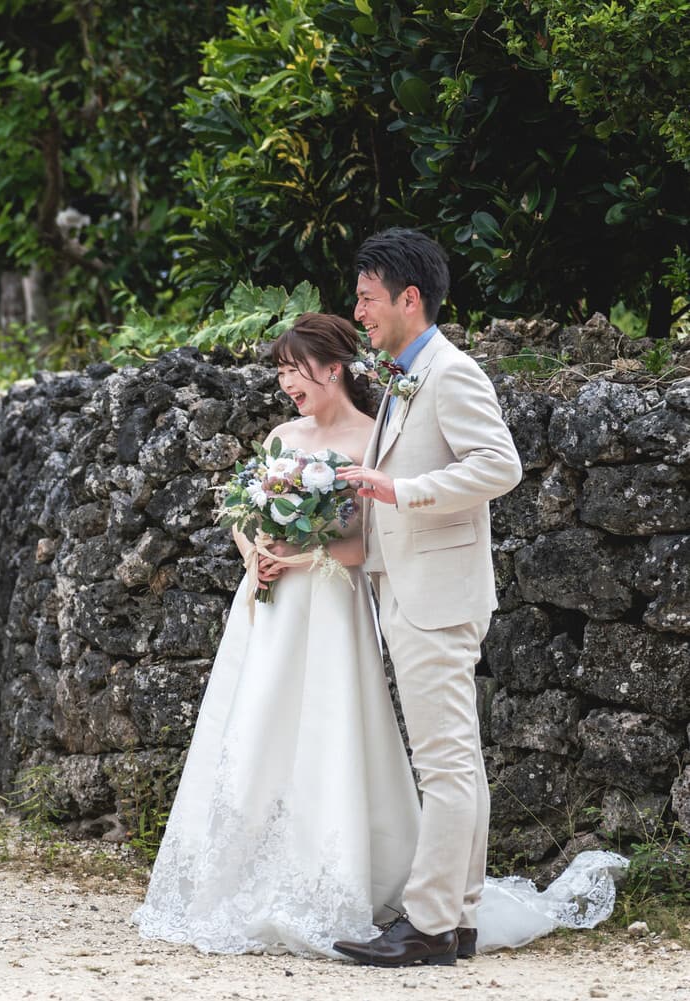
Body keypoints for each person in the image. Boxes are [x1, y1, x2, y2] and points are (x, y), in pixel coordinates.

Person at [132, 313, 421, 957]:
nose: (286, 381)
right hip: (267, 602)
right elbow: (243, 510)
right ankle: (239, 874)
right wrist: (251, 554)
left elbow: (367, 544)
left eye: (296, 368)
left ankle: (340, 874)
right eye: (282, 369)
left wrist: (300, 556)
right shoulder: (282, 436)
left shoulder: (372, 441)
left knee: (330, 722)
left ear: (334, 367)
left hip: (329, 603)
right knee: (257, 720)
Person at [330, 228, 524, 966]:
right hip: (412, 590)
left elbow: (498, 465)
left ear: (410, 299)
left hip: (436, 596)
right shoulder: (407, 372)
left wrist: (401, 491)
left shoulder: (451, 371)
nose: (359, 310)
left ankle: (429, 923)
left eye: (368, 297)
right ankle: (457, 915)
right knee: (456, 763)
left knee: (444, 764)